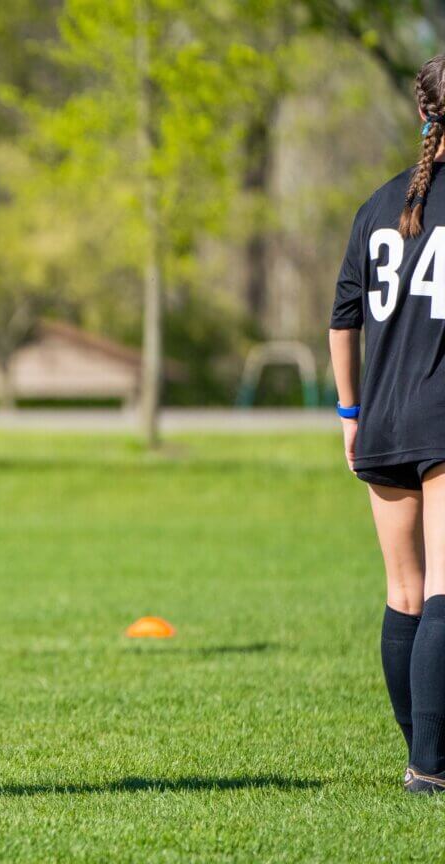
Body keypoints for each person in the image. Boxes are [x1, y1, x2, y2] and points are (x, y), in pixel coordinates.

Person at [330, 54, 445, 794]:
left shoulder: (379, 206)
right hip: (440, 419)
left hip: (382, 421)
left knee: (404, 591)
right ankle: (430, 767)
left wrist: (349, 412)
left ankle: (422, 752)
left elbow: (342, 316)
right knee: (442, 591)